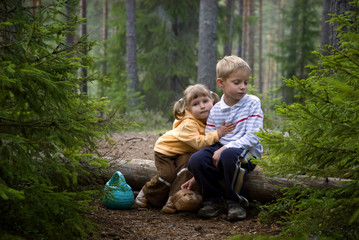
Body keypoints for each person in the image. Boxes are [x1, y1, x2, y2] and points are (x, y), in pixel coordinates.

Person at [181, 55, 263, 221]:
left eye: (246, 82)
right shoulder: (216, 109)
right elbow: (210, 138)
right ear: (221, 83)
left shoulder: (252, 102)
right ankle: (211, 200)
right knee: (197, 159)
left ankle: (236, 202)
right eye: (237, 82)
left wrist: (225, 148)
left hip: (247, 152)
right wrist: (197, 175)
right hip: (222, 150)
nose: (243, 87)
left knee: (228, 155)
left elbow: (254, 136)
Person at [135, 84, 235, 214]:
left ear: (212, 100)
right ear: (187, 108)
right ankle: (147, 193)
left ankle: (174, 199)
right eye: (196, 104)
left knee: (185, 171)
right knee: (167, 174)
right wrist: (218, 134)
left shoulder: (211, 117)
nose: (202, 106)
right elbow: (199, 143)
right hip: (165, 151)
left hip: (185, 151)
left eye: (205, 101)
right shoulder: (188, 124)